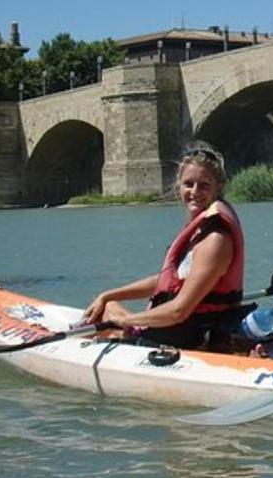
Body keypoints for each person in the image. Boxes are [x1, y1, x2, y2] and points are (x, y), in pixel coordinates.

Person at [82, 143, 246, 349]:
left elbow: (179, 310)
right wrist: (109, 294)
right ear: (179, 186)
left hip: (189, 337)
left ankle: (118, 335)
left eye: (204, 185)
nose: (195, 192)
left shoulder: (215, 240)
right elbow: (169, 281)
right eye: (189, 184)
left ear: (218, 187)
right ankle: (122, 331)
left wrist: (127, 321)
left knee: (108, 316)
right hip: (177, 329)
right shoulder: (199, 230)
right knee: (106, 304)